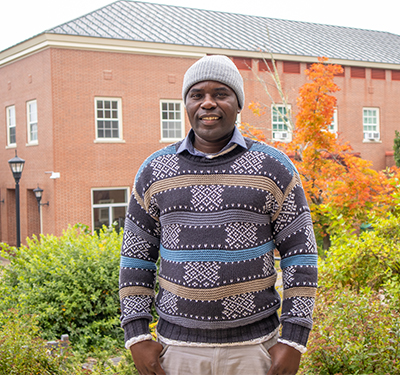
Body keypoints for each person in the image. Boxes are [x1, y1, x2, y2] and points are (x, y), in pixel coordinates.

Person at [119, 55, 318, 375]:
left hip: (254, 350)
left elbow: (300, 255)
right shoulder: (154, 170)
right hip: (178, 352)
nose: (208, 103)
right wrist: (137, 335)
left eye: (220, 94)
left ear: (238, 103)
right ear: (186, 104)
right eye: (197, 95)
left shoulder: (274, 167)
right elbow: (136, 259)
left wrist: (294, 339)